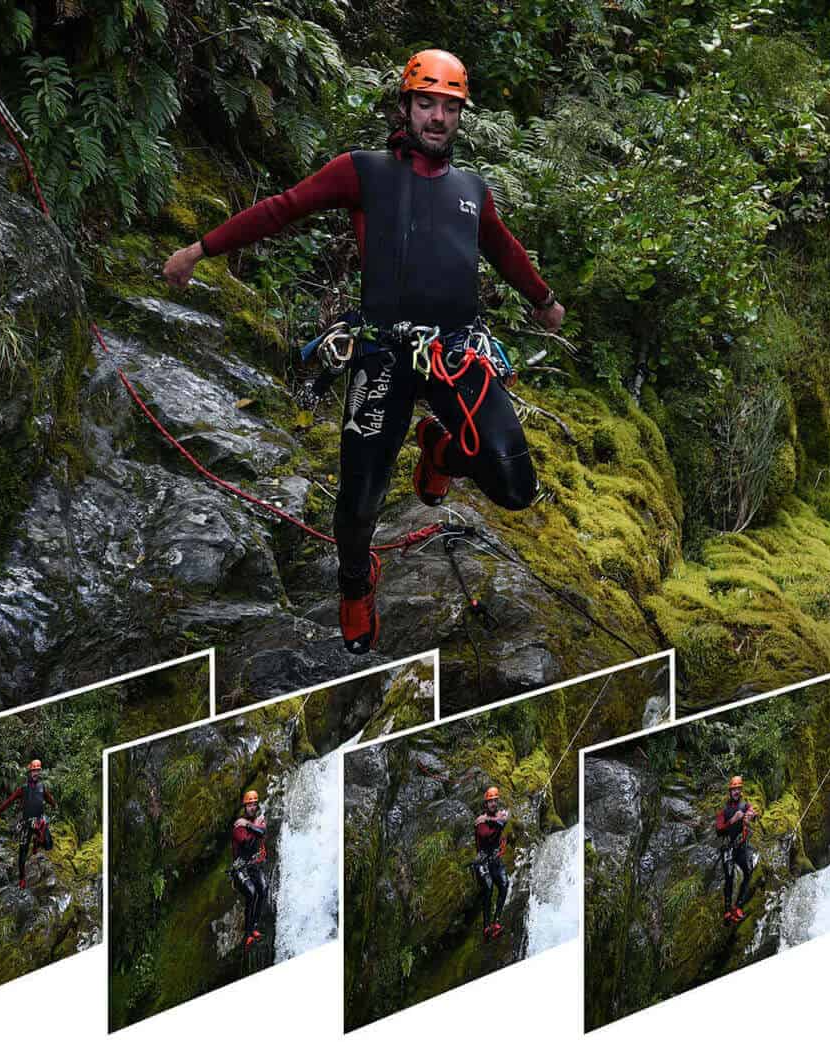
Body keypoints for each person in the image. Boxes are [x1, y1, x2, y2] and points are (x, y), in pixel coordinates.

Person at [162, 48, 566, 656]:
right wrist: (200, 250)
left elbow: (503, 249)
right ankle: (356, 583)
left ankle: (438, 450)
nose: (436, 117)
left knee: (513, 483)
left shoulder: (471, 190)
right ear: (405, 107)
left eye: (448, 107)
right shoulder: (363, 172)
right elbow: (284, 208)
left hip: (456, 353)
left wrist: (543, 299)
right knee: (358, 504)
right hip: (382, 353)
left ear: (460, 116)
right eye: (425, 102)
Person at [0, 759, 58, 888]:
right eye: (33, 770)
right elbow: (9, 801)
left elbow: (49, 798)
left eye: (37, 770)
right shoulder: (23, 789)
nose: (36, 773)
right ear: (30, 772)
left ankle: (37, 842)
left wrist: (54, 805)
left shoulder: (42, 787)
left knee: (48, 844)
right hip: (27, 823)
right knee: (23, 852)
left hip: (39, 821)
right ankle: (22, 878)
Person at [714, 776, 759, 924]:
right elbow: (719, 830)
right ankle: (727, 910)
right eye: (734, 789)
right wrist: (733, 820)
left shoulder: (745, 805)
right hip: (728, 847)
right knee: (729, 877)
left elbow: (752, 813)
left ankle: (738, 906)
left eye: (739, 789)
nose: (737, 791)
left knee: (748, 872)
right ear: (730, 790)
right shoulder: (723, 810)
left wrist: (752, 816)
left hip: (741, 847)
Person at [231, 790, 271, 947]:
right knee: (251, 893)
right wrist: (255, 826)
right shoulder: (237, 826)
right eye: (250, 805)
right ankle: (247, 933)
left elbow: (262, 832)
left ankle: (254, 926)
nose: (253, 808)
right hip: (240, 867)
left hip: (253, 865)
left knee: (264, 888)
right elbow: (247, 844)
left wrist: (250, 825)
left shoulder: (248, 823)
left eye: (255, 804)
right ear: (245, 806)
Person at [471, 785, 511, 939]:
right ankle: (486, 926)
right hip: (483, 861)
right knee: (488, 888)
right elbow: (486, 834)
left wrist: (490, 819)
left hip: (495, 859)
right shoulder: (479, 822)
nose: (494, 803)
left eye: (495, 800)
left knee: (504, 884)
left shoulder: (489, 818)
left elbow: (504, 820)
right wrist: (495, 820)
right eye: (490, 801)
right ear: (486, 804)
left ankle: (497, 921)